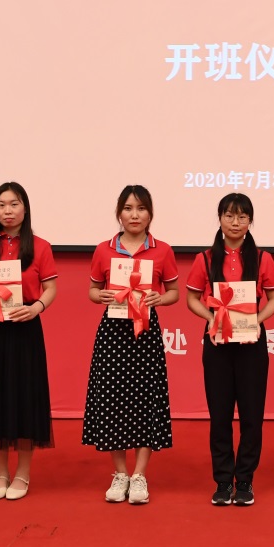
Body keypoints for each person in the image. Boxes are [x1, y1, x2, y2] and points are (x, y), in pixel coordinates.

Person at [84, 185, 180, 505]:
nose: (134, 215)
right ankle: (120, 474)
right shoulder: (104, 250)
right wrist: (101, 295)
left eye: (141, 208)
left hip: (146, 334)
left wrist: (159, 298)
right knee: (112, 400)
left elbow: (174, 292)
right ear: (119, 213)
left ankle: (139, 475)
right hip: (113, 334)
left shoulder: (162, 251)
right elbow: (92, 290)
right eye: (128, 208)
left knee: (145, 400)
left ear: (150, 214)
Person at [0, 182, 57, 500]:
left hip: (25, 330)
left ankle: (23, 474)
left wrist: (36, 308)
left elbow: (51, 288)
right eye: (1, 205)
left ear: (25, 209)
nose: (7, 211)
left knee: (25, 400)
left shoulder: (40, 247)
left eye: (14, 204)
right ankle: (1, 473)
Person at [185, 194, 274, 506]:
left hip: (252, 344)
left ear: (250, 220)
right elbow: (191, 299)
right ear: (220, 219)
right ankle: (223, 481)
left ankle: (246, 481)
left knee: (252, 416)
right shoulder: (204, 259)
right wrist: (211, 318)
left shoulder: (263, 258)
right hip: (217, 343)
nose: (235, 222)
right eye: (229, 215)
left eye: (242, 216)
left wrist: (257, 321)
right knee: (220, 415)